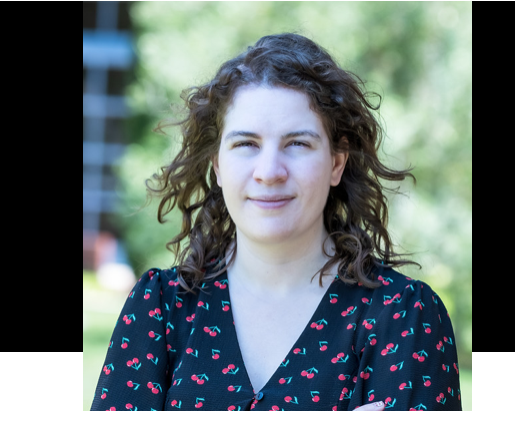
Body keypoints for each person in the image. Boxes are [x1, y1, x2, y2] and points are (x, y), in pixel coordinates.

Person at [91, 33, 461, 411]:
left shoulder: (404, 316)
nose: (269, 172)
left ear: (336, 163)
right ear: (217, 165)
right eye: (246, 144)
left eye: (297, 144)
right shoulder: (160, 308)